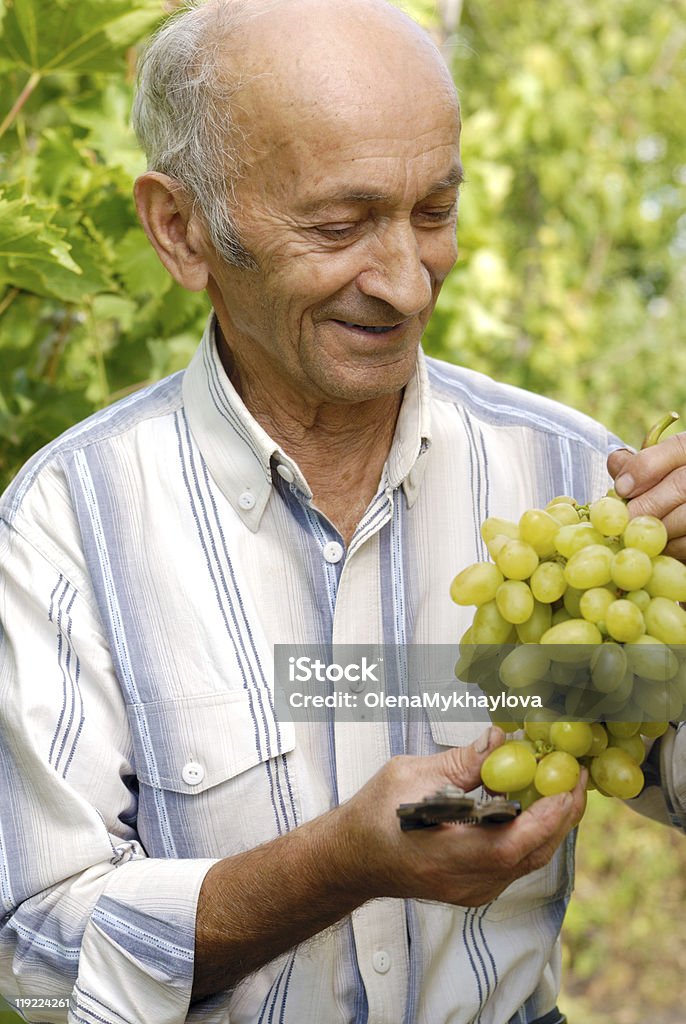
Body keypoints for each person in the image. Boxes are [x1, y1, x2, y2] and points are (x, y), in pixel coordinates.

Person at [1, 1, 685, 1022]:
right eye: (339, 225)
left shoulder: (573, 475)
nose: (409, 283)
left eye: (435, 212)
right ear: (180, 230)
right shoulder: (68, 524)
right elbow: (35, 950)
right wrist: (331, 867)